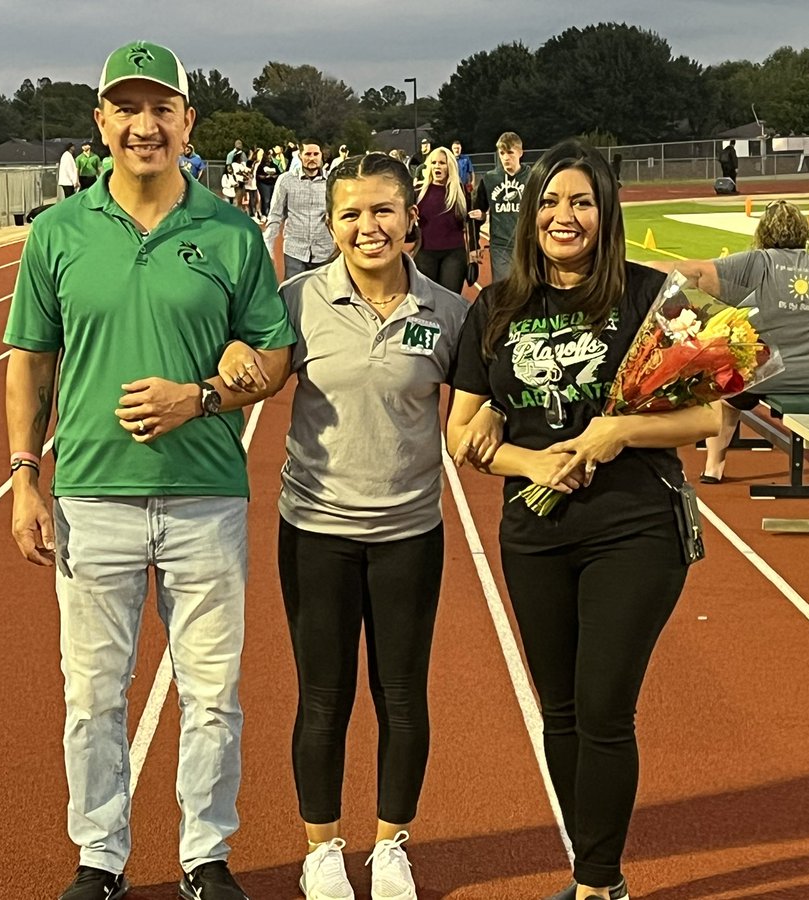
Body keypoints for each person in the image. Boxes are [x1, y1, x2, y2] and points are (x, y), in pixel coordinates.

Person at [3, 40, 295, 900]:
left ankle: (206, 855)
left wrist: (200, 396)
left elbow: (274, 359)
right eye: (126, 109)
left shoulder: (232, 232)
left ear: (187, 122)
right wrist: (24, 477)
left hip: (206, 497)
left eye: (160, 109)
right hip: (92, 498)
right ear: (101, 124)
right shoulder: (57, 233)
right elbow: (31, 360)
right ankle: (100, 858)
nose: (144, 126)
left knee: (213, 694)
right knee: (93, 698)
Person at [447, 139, 719, 900]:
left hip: (634, 527)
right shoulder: (497, 307)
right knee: (560, 712)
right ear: (529, 212)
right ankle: (590, 868)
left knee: (603, 709)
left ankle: (599, 884)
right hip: (534, 533)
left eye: (581, 202)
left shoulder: (650, 296)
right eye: (550, 201)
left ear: (606, 212)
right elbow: (462, 433)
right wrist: (528, 462)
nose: (563, 216)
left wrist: (619, 431)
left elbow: (708, 416)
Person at [219, 152, 490, 900]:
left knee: (402, 697)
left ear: (410, 218)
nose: (367, 227)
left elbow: (474, 411)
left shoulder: (449, 313)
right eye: (351, 213)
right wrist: (234, 353)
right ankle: (321, 850)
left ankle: (391, 845)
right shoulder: (296, 300)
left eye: (382, 211)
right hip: (316, 532)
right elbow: (250, 361)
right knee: (323, 698)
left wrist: (505, 434)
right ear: (331, 222)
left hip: (409, 533)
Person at [647, 198, 809, 484]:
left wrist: (638, 268)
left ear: (763, 232)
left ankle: (714, 466)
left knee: (723, 390)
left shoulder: (755, 262)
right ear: (805, 233)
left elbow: (696, 273)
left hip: (761, 376)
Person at [263, 139, 335, 279]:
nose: (312, 158)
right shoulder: (286, 180)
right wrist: (269, 249)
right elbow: (275, 216)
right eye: (308, 154)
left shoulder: (332, 181)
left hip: (325, 251)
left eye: (316, 154)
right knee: (293, 291)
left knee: (324, 292)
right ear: (300, 156)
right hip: (295, 251)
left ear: (321, 155)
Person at [470, 131, 530, 283]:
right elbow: (477, 214)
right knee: (504, 290)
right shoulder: (490, 179)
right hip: (500, 245)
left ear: (520, 152)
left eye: (510, 152)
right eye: (502, 153)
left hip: (527, 244)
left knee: (528, 288)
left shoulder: (532, 177)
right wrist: (474, 245)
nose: (505, 157)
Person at [414, 145, 469, 293]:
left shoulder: (460, 191)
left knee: (451, 299)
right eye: (434, 162)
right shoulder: (418, 192)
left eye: (442, 163)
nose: (437, 166)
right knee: (427, 299)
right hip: (425, 253)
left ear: (449, 166)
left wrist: (480, 217)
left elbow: (471, 219)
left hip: (454, 254)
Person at [256, 147, 282, 220]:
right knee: (266, 199)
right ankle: (265, 214)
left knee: (272, 199)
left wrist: (275, 176)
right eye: (269, 155)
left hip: (272, 183)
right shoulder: (261, 166)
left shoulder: (274, 165)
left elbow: (279, 173)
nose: (270, 157)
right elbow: (258, 176)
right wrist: (265, 177)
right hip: (264, 184)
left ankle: (271, 214)